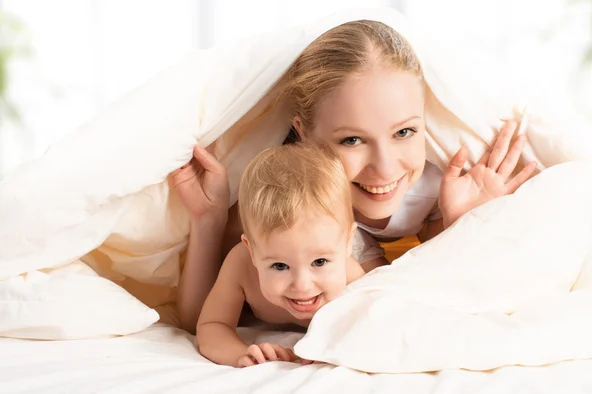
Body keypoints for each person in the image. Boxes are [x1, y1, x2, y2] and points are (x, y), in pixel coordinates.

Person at [169, 20, 536, 335]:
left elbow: (419, 302)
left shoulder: (431, 193)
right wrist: (208, 220)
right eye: (352, 140)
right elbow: (198, 321)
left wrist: (461, 225)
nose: (386, 168)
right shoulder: (286, 202)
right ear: (305, 133)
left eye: (404, 132)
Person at [195, 143, 364, 367]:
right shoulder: (240, 265)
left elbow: (374, 325)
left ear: (347, 244)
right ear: (252, 250)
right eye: (280, 266)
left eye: (319, 262)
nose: (302, 286)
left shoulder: (352, 277)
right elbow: (212, 325)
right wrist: (242, 355)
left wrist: (333, 346)